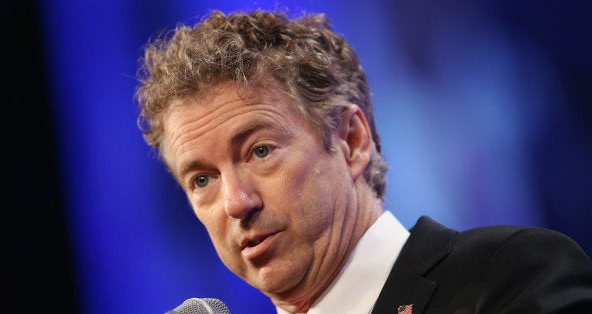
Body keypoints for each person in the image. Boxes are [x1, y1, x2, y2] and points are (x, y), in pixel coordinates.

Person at [136, 10, 592, 314]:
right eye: (202, 179)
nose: (236, 203)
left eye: (260, 151)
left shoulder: (504, 276)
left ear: (352, 141)